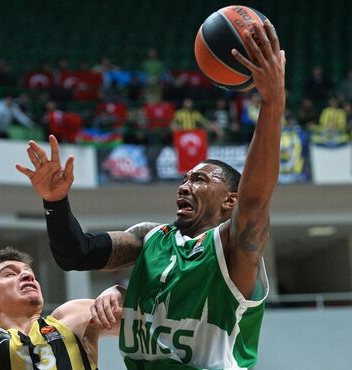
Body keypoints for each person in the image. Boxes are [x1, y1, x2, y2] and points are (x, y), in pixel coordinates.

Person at [16, 20, 285, 369]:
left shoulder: (233, 248)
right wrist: (54, 202)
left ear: (229, 201)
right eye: (185, 178)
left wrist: (272, 102)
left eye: (201, 180)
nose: (185, 185)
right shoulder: (151, 239)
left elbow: (255, 198)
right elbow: (75, 254)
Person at [0, 153, 119, 370]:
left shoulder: (71, 319)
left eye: (28, 272)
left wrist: (118, 294)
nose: (27, 275)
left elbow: (150, 317)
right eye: (10, 273)